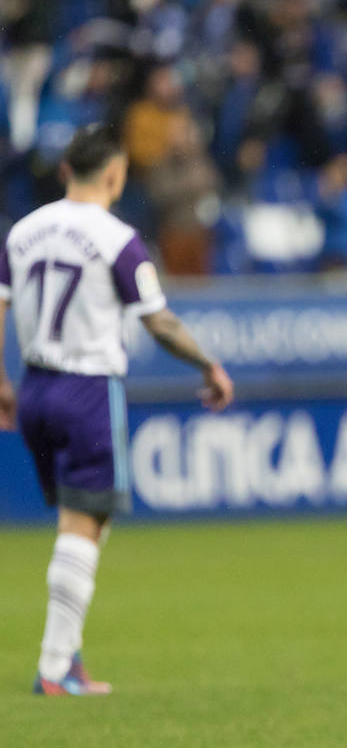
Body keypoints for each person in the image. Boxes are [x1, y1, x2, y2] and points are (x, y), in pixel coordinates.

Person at [0, 123, 234, 696]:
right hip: (87, 391)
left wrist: (1, 382)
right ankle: (55, 668)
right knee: (84, 527)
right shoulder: (117, 238)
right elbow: (159, 321)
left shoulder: (21, 232)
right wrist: (208, 365)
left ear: (64, 172)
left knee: (80, 524)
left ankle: (67, 654)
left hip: (35, 389)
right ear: (114, 174)